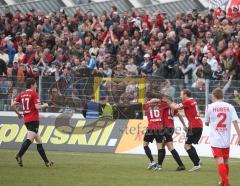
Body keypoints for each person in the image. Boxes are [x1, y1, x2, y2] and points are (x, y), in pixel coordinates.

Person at [11, 78, 53, 167]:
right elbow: (37, 107)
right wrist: (45, 105)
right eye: (36, 84)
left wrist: (18, 113)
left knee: (38, 141)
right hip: (33, 119)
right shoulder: (34, 94)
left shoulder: (22, 94)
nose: (36, 86)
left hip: (26, 120)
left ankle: (47, 162)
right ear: (32, 85)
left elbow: (12, 105)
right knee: (29, 139)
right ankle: (19, 155)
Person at [205, 88, 240, 186]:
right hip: (226, 139)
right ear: (222, 96)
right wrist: (239, 135)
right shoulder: (230, 106)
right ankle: (222, 181)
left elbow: (207, 122)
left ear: (214, 96)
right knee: (226, 161)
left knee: (220, 161)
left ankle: (226, 183)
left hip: (215, 139)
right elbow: (235, 122)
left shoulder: (210, 107)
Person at [165, 89, 203, 171]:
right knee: (190, 144)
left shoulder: (187, 101)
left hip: (194, 126)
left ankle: (196, 164)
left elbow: (175, 107)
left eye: (181, 94)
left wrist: (167, 101)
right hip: (198, 125)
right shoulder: (193, 100)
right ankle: (198, 160)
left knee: (186, 146)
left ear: (185, 95)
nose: (180, 96)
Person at [142, 93, 167, 171]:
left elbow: (142, 104)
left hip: (150, 128)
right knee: (159, 147)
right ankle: (159, 166)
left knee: (145, 144)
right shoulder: (161, 105)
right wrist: (157, 100)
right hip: (159, 128)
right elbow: (167, 101)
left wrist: (149, 102)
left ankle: (152, 161)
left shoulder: (146, 106)